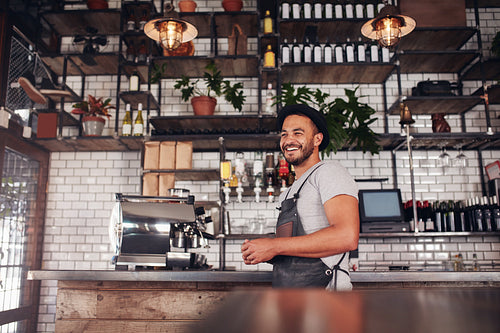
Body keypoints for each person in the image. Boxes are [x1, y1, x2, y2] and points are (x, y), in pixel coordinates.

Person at [241, 104, 359, 291]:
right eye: (284, 134)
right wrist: (264, 251)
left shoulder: (329, 172)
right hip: (293, 300)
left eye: (298, 133)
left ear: (317, 139)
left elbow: (347, 236)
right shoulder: (289, 192)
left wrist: (275, 246)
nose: (289, 140)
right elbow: (292, 250)